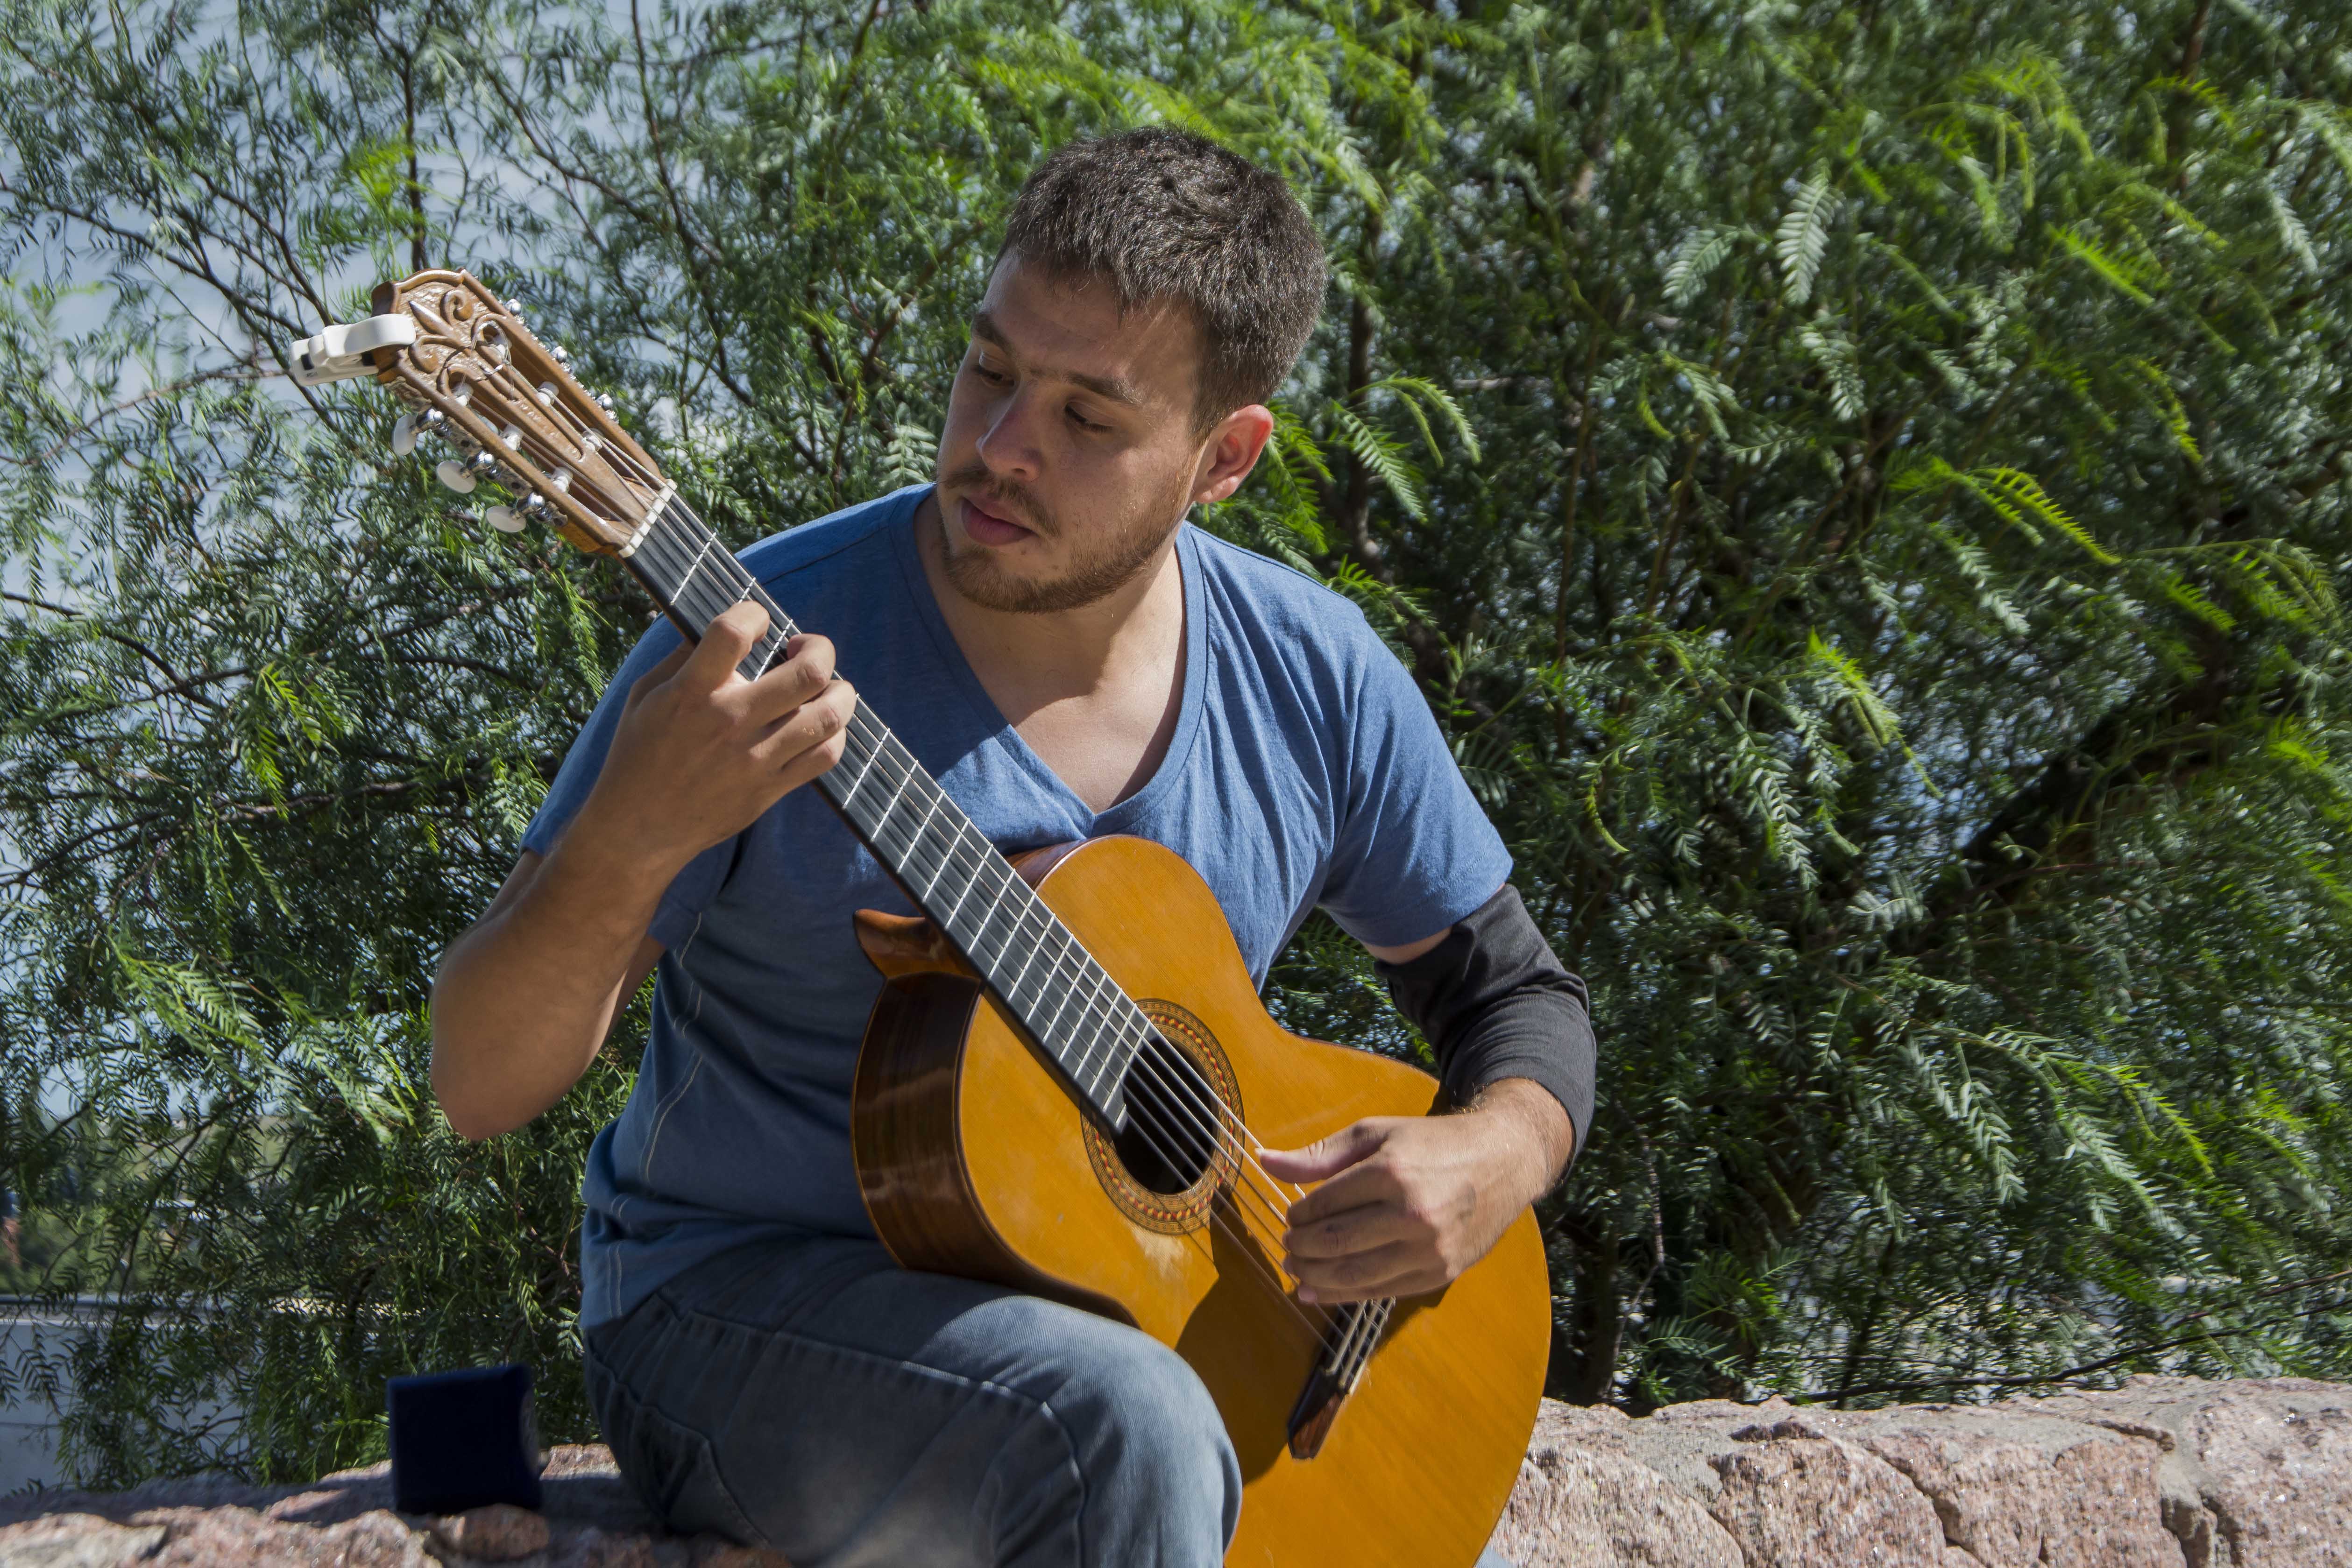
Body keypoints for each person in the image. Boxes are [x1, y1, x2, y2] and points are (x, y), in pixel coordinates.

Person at [429, 127, 1595, 1568]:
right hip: (733, 1314)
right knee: (1121, 1426)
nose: (997, 449)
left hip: (1151, 1330)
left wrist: (1492, 1155)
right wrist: (627, 840)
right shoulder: (753, 650)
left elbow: (1519, 1003)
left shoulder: (1316, 674)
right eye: (989, 370)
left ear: (1223, 458)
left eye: (1088, 419)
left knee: (1127, 1410)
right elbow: (475, 1083)